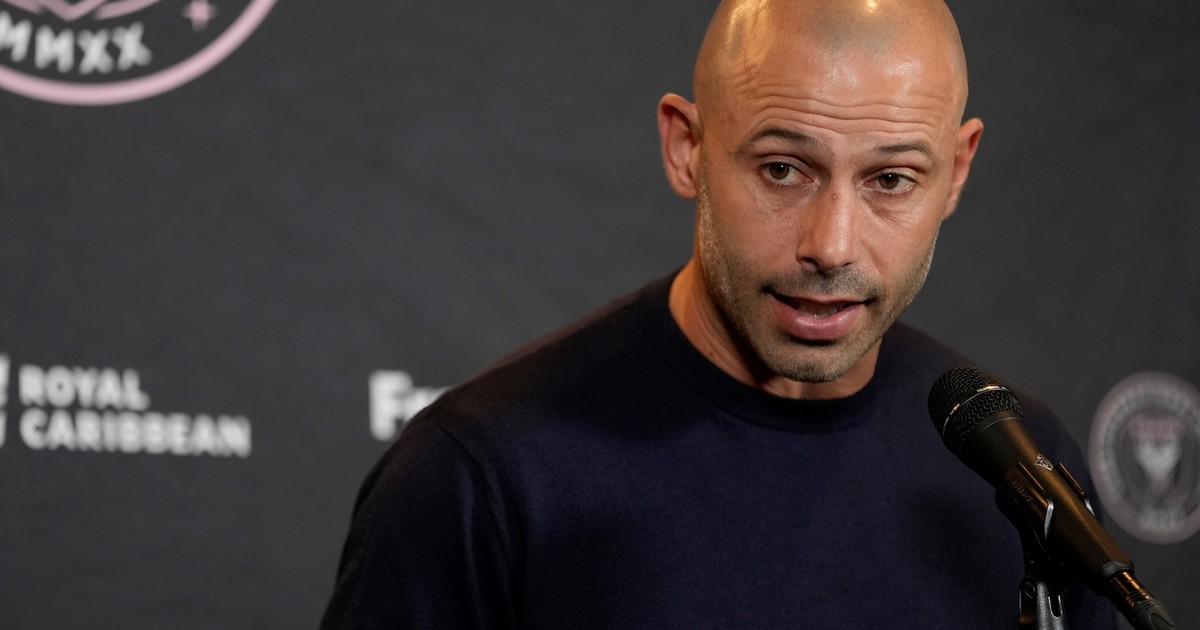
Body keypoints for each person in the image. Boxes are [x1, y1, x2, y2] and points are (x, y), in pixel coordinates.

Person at [322, 0, 1118, 627]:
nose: (832, 245)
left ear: (957, 172)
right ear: (687, 148)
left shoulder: (1022, 466)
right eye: (783, 170)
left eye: (891, 180)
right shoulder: (481, 472)